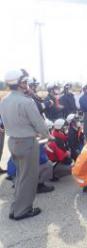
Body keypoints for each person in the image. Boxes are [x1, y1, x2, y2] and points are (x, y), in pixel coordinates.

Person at [1, 69, 50, 220]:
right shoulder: (26, 101)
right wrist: (47, 135)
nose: (27, 85)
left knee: (21, 176)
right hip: (27, 142)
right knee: (29, 178)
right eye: (25, 82)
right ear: (21, 83)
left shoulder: (4, 101)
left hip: (13, 141)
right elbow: (39, 125)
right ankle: (22, 211)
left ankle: (16, 208)